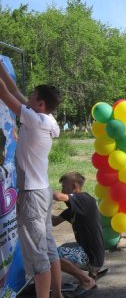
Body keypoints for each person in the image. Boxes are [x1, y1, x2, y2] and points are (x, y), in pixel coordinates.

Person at [0, 59, 63, 298]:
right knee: (48, 248)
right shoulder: (48, 119)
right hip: (42, 191)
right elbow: (14, 92)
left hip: (32, 196)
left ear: (41, 103)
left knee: (38, 259)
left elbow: (6, 95)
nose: (28, 96)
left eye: (33, 95)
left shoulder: (35, 120)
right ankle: (58, 294)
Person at [52, 172, 105, 297]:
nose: (62, 190)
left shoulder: (84, 199)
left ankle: (87, 281)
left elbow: (58, 196)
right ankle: (60, 283)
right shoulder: (76, 207)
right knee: (55, 250)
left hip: (92, 256)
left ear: (74, 186)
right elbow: (54, 222)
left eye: (64, 187)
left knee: (52, 256)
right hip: (88, 251)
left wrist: (39, 190)